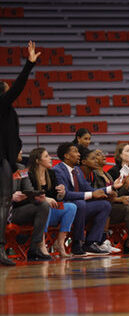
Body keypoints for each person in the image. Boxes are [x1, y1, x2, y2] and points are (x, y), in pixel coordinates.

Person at [0, 41, 41, 266]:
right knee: (2, 203)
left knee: (3, 203)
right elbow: (18, 87)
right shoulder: (2, 103)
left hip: (6, 158)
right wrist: (29, 64)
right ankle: (1, 249)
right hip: (1, 160)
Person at [53, 142, 117, 256]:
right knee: (80, 203)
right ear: (67, 156)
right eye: (75, 152)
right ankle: (77, 243)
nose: (78, 154)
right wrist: (92, 195)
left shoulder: (77, 170)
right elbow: (66, 194)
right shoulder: (58, 170)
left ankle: (91, 242)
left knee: (104, 205)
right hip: (63, 208)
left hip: (79, 207)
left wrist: (112, 188)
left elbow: (88, 189)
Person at [28, 147, 77, 258]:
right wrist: (44, 199)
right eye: (46, 156)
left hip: (51, 209)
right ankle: (42, 243)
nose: (50, 158)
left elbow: (56, 197)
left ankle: (60, 243)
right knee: (46, 205)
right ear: (37, 160)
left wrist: (61, 193)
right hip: (36, 211)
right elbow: (29, 194)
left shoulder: (50, 173)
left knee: (71, 207)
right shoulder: (29, 174)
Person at [10, 150, 51, 260]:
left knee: (43, 205)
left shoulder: (22, 168)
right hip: (4, 210)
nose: (21, 151)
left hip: (15, 211)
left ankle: (34, 248)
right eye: (18, 149)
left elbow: (29, 189)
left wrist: (35, 196)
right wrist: (11, 197)